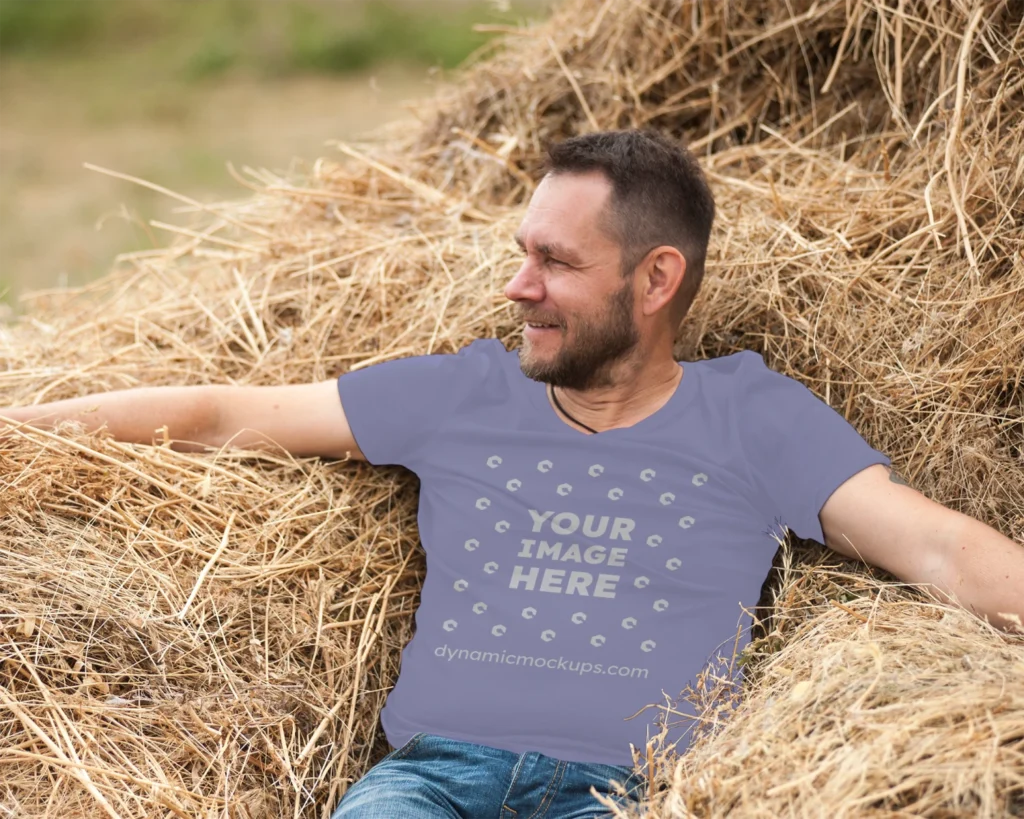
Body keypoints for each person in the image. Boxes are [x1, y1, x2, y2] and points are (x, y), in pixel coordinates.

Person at [3, 130, 1022, 819]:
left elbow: (931, 542)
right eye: (520, 253)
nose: (517, 286)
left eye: (556, 264)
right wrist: (21, 427)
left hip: (624, 792)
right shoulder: (463, 394)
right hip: (432, 782)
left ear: (656, 278)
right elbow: (224, 416)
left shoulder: (752, 417)